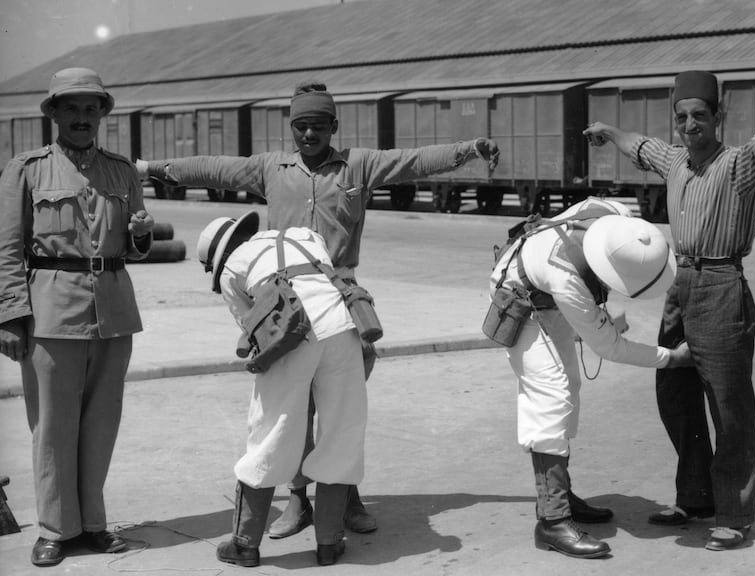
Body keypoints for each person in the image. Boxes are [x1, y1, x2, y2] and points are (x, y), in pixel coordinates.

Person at [135, 79, 499, 539]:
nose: (309, 135)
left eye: (319, 127)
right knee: (292, 408)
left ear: (334, 127)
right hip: (284, 304)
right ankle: (298, 500)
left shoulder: (357, 165)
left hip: (343, 301)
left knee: (341, 407)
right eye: (301, 127)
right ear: (292, 128)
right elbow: (214, 169)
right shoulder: (272, 168)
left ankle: (345, 496)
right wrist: (149, 167)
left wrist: (469, 148)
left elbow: (414, 161)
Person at [583, 71, 755, 551]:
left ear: (718, 117)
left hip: (723, 284)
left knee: (728, 405)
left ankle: (735, 514)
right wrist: (609, 131)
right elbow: (642, 146)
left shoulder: (738, 165)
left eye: (700, 115)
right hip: (681, 284)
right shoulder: (676, 160)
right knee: (674, 392)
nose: (689, 124)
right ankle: (695, 496)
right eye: (682, 116)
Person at [0, 67, 155, 567]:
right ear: (54, 115)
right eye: (72, 107)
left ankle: (92, 525)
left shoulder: (121, 171)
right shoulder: (26, 169)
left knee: (101, 422)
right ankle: (55, 528)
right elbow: (6, 250)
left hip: (113, 310)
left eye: (91, 108)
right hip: (51, 311)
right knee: (52, 426)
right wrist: (8, 315)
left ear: (102, 114)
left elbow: (134, 244)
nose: (83, 117)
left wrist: (142, 235)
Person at [489, 196, 695, 559]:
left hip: (544, 290)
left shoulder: (615, 213)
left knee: (570, 386)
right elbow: (610, 347)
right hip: (520, 296)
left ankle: (560, 493)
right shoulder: (567, 278)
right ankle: (552, 521)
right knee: (551, 399)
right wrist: (671, 359)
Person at [195, 212, 370, 567]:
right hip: (342, 328)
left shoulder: (231, 272)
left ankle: (245, 544)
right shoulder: (306, 236)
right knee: (341, 431)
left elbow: (253, 328)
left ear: (218, 258)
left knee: (271, 434)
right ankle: (329, 541)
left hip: (292, 337)